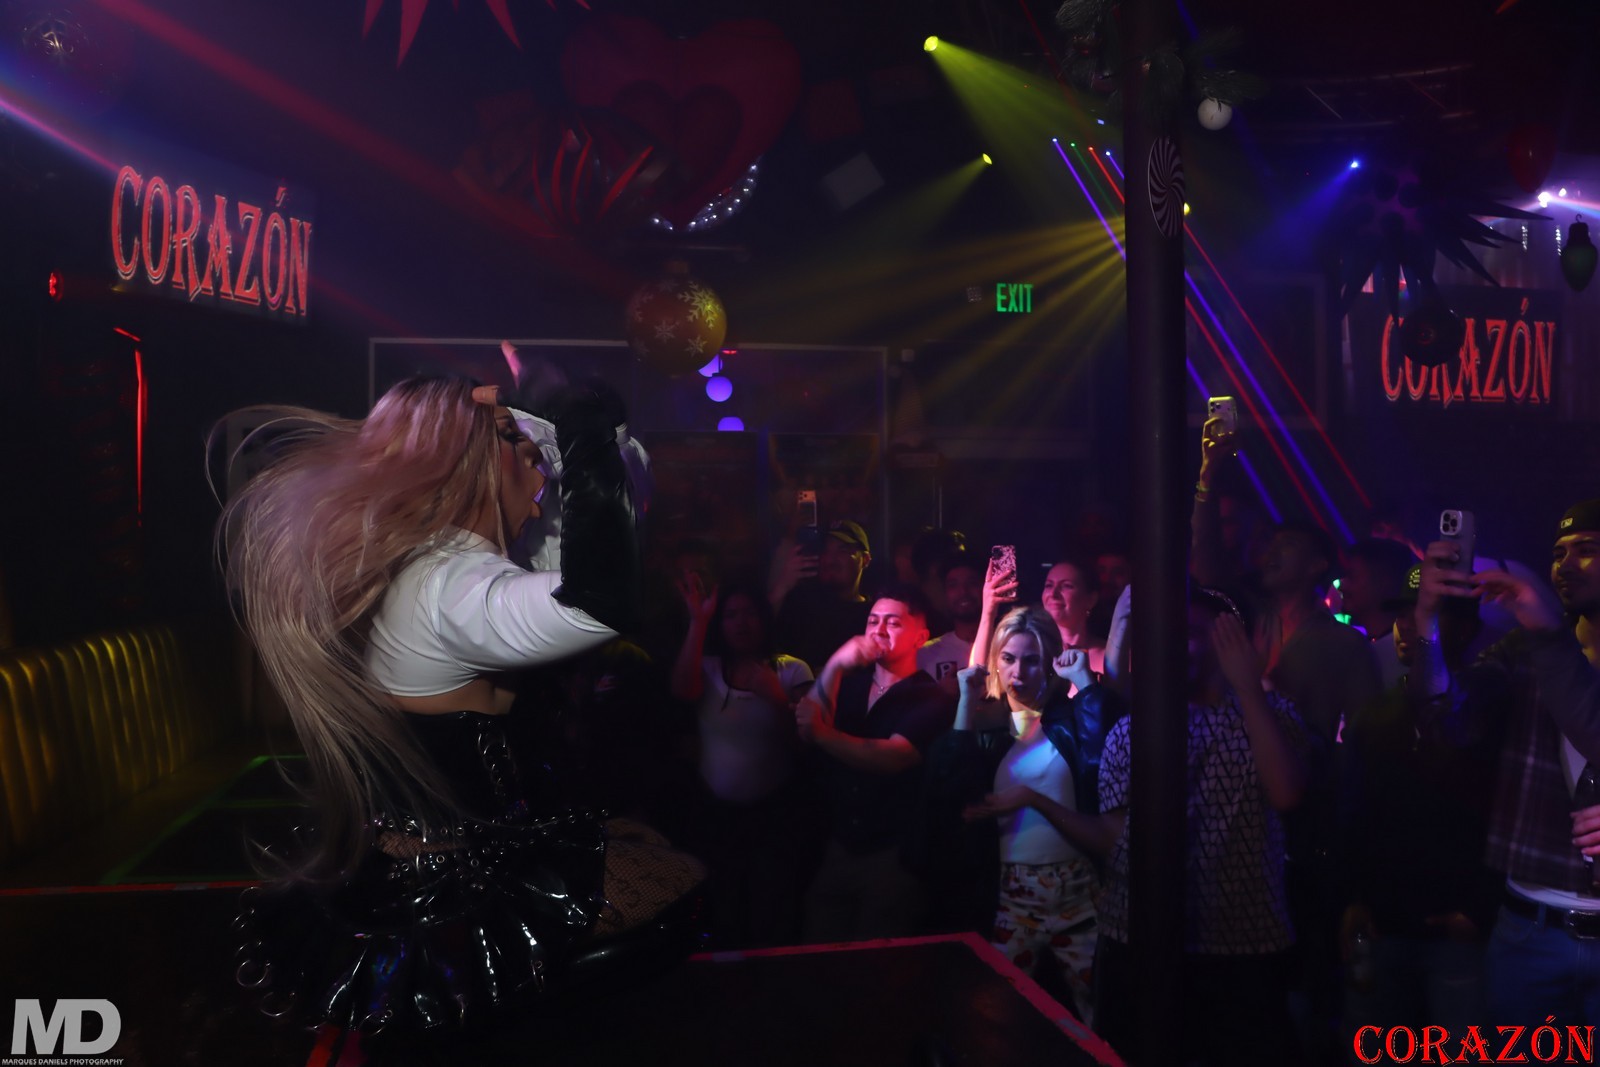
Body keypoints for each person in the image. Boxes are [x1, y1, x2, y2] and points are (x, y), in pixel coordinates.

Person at [222, 376, 704, 1060]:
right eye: (524, 452)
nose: (542, 474)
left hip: (453, 856)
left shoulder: (443, 563)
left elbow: (593, 544)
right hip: (448, 884)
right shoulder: (446, 585)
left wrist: (575, 439)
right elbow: (601, 597)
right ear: (476, 460)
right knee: (674, 906)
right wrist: (582, 434)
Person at [1094, 588, 1310, 1066]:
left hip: (1243, 940)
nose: (1175, 647)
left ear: (1224, 644)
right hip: (1138, 937)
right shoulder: (1132, 727)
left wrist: (1248, 687)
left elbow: (1287, 793)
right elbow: (1113, 838)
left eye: (1190, 634)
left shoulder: (1272, 714)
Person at [1412, 499, 1600, 1032]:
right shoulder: (1523, 648)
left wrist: (1548, 634)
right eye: (1558, 553)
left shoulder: (1543, 642)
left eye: (1586, 549)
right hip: (1529, 930)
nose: (1565, 565)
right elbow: (1445, 719)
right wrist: (1427, 623)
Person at [922, 606, 1119, 1023]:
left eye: (1031, 660)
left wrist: (1084, 683)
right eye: (1009, 658)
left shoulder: (1068, 720)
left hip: (1077, 890)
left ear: (1048, 662)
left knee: (1100, 1012)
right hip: (1010, 893)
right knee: (991, 1013)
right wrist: (966, 702)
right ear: (995, 661)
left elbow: (1107, 758)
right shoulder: (988, 729)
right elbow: (949, 791)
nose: (1019, 671)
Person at [1339, 562, 1501, 1050]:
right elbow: (1356, 815)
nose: (1408, 625)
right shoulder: (1375, 714)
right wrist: (1353, 899)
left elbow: (1505, 814)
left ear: (1466, 629)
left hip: (1458, 935)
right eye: (1403, 614)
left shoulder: (1492, 711)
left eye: (1427, 614)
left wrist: (1479, 909)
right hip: (1384, 928)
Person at [796, 585, 954, 941]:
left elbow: (894, 756)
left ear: (920, 638)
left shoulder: (930, 698)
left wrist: (823, 735)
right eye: (872, 621)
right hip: (838, 845)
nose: (878, 630)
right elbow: (807, 728)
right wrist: (835, 665)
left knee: (878, 958)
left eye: (892, 622)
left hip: (891, 854)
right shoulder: (850, 685)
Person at [670, 575, 818, 948]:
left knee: (771, 915)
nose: (741, 622)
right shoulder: (708, 666)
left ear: (764, 619)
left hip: (774, 818)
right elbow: (682, 691)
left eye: (750, 613)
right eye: (732, 615)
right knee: (723, 916)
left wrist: (775, 696)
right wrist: (698, 621)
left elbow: (806, 746)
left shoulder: (792, 670)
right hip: (716, 818)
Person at [771, 519, 874, 674]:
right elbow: (759, 634)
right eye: (826, 551)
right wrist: (783, 584)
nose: (830, 559)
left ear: (865, 560)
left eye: (842, 550)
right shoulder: (803, 603)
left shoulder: (874, 617)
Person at [917, 552, 984, 695]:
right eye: (953, 585)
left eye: (971, 583)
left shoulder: (1007, 646)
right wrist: (939, 693)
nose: (963, 592)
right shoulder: (925, 653)